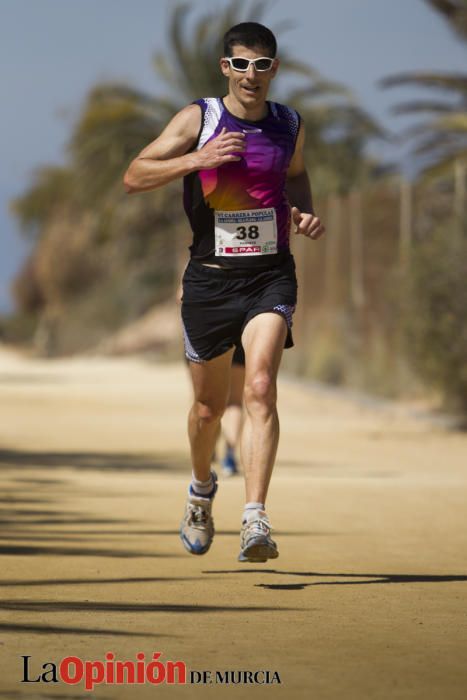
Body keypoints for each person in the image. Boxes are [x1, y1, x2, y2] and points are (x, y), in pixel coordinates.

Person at [124, 22, 325, 562]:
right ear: (225, 68)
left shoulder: (289, 123)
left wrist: (303, 212)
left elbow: (298, 176)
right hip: (210, 279)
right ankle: (200, 490)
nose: (251, 75)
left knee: (259, 386)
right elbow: (134, 175)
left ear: (274, 70)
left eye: (261, 65)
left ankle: (255, 518)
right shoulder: (201, 118)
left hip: (270, 275)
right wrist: (199, 159)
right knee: (209, 410)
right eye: (241, 64)